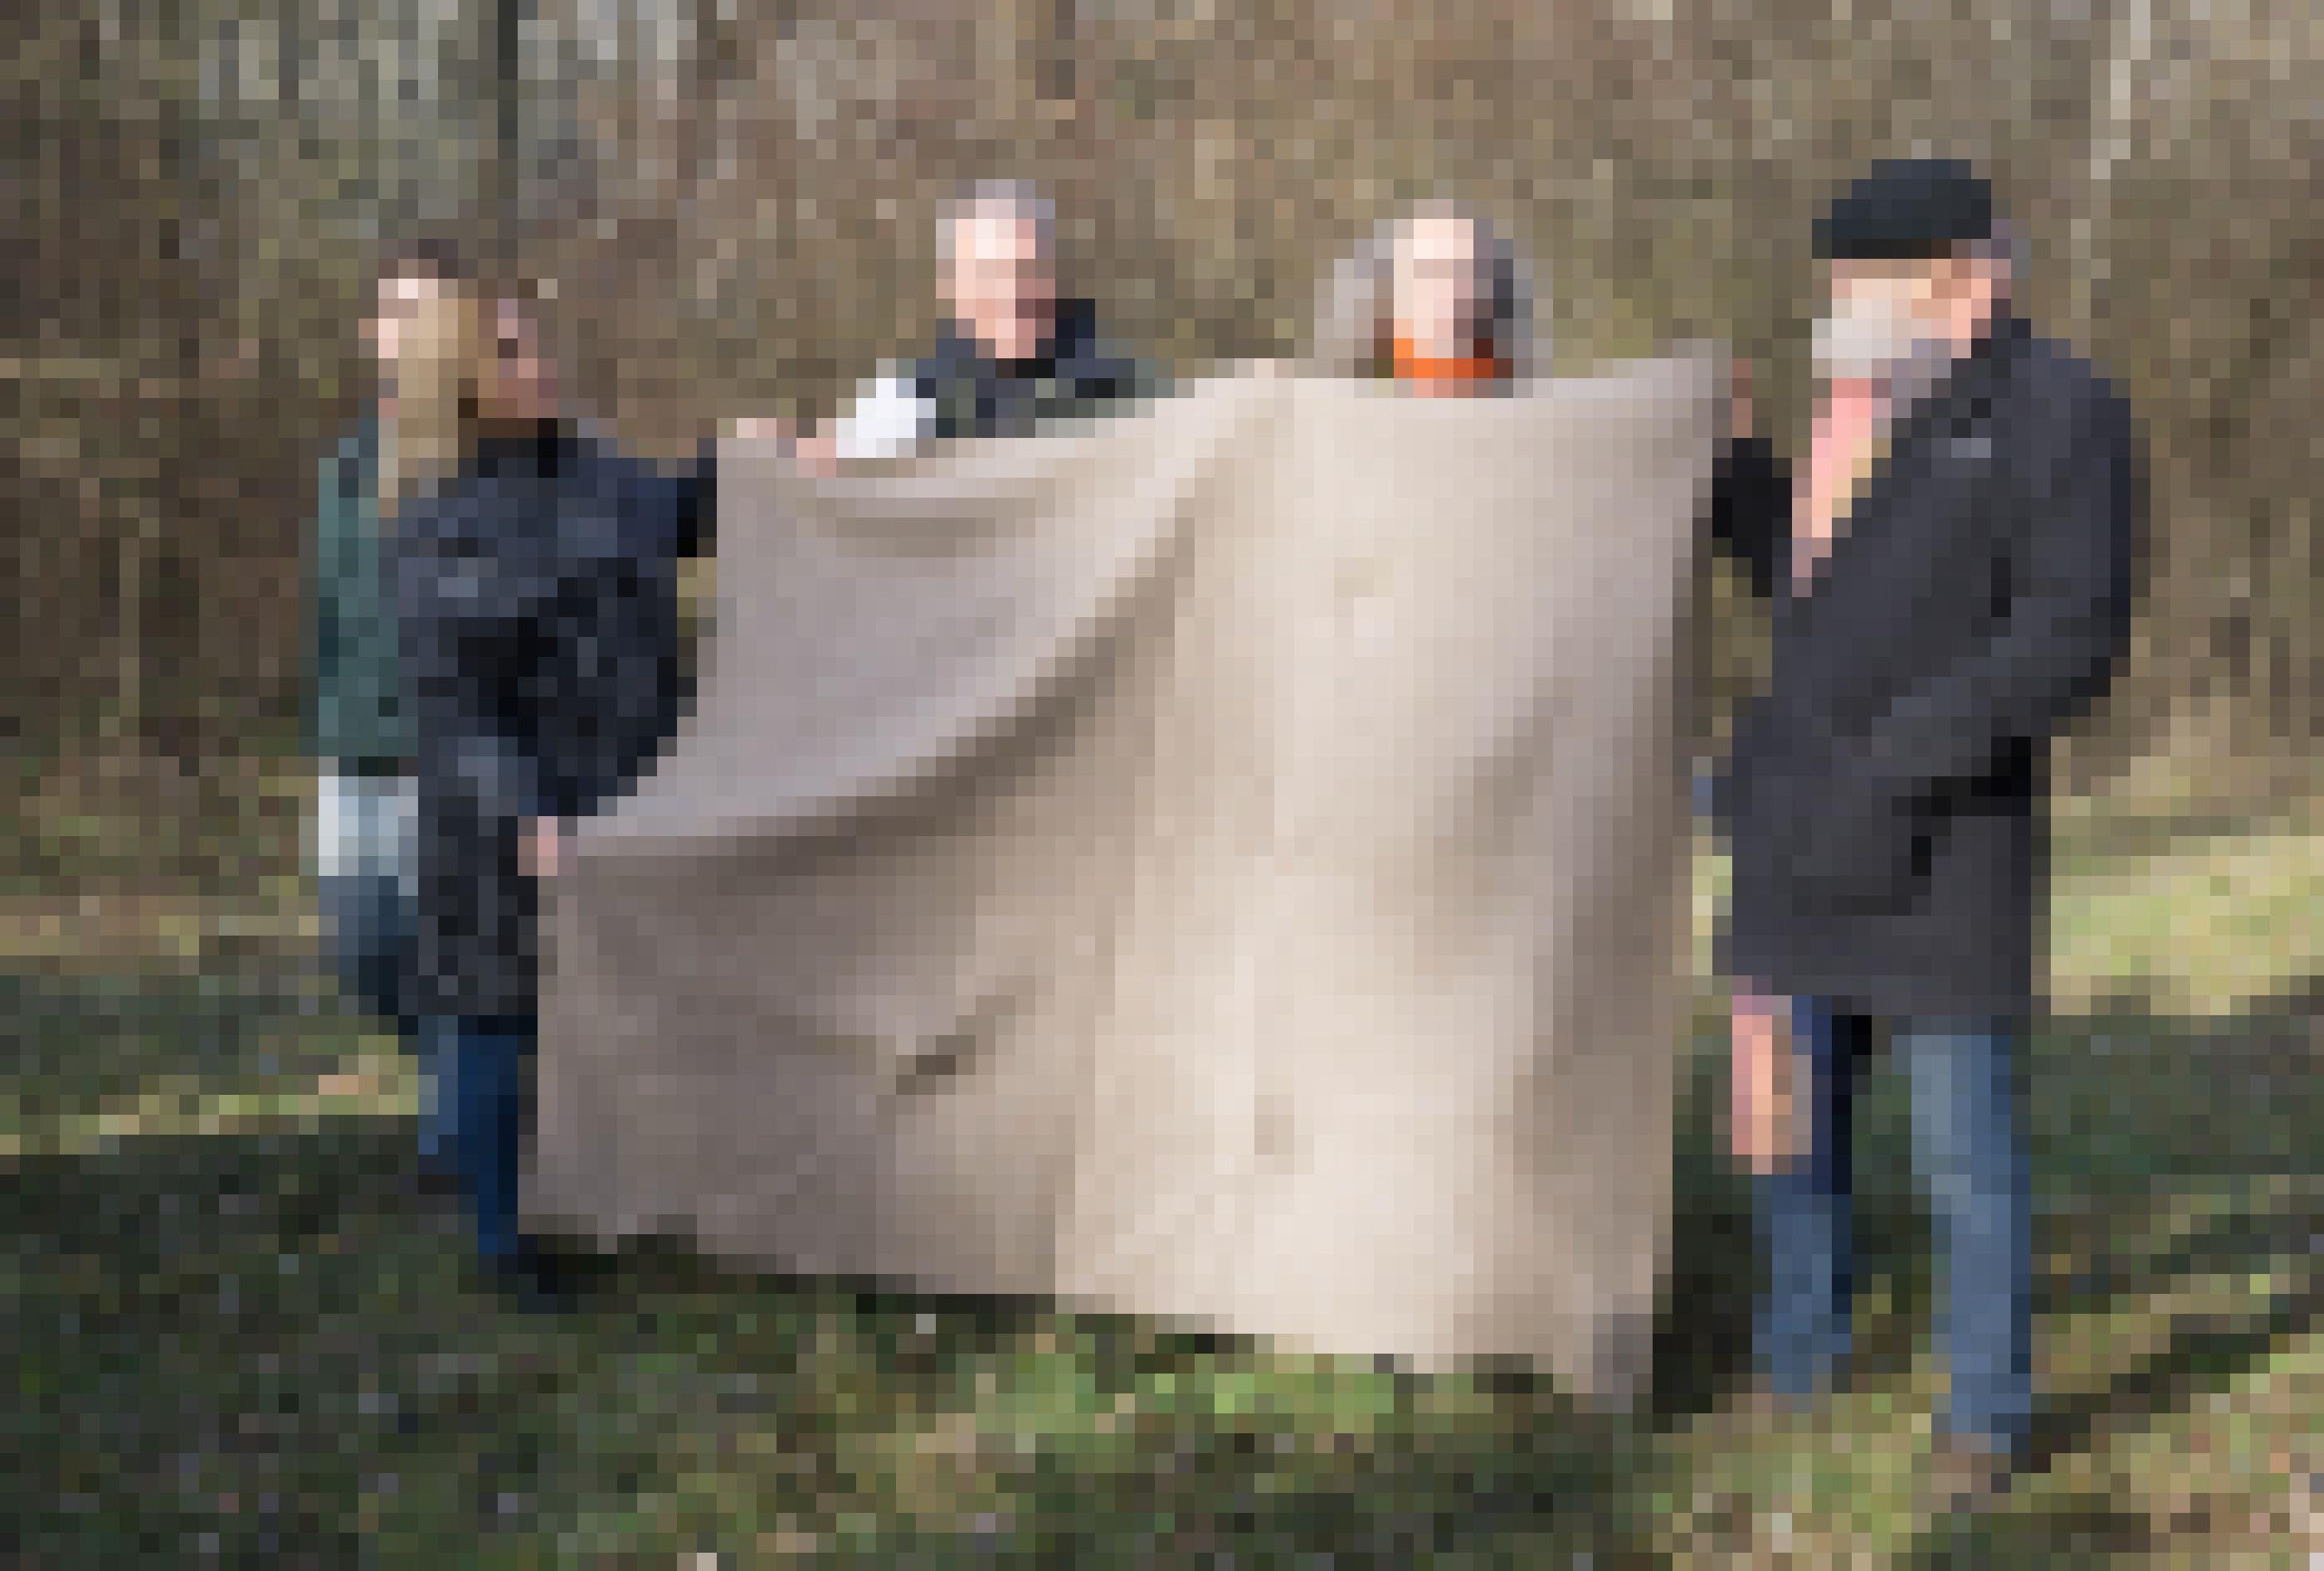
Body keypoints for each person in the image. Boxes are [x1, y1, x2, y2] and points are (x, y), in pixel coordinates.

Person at [1706, 158, 2141, 1507]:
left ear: (1954, 276)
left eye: (1855, 283)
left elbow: (2069, 634)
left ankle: (1982, 1412)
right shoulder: (1855, 404)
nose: (1832, 305)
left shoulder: (2060, 411)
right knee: (1798, 1126)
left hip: (1946, 838)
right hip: (1798, 828)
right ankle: (1796, 1353)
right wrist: (1736, 476)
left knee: (1962, 1152)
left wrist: (1911, 749)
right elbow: (1811, 582)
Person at [393, 278, 703, 1304]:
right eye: (516, 353)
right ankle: (502, 1241)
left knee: (615, 1014)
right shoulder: (441, 524)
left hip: (625, 794)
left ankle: (620, 1196)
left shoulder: (602, 475)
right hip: (502, 821)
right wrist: (524, 807)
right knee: (496, 1021)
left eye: (537, 345)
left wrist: (750, 460)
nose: (543, 365)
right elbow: (451, 705)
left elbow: (684, 513)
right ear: (464, 381)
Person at [311, 237, 468, 1181]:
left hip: (438, 756)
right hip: (348, 752)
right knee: (363, 953)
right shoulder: (343, 462)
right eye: (396, 313)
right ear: (371, 334)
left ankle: (457, 1124)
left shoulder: (481, 455)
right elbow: (325, 610)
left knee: (444, 953)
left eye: (432, 313)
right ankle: (467, 1075)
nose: (411, 332)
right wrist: (322, 730)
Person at [767, 180, 1156, 466]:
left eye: (1027, 272)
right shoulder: (910, 401)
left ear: (1054, 280)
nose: (1013, 295)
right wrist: (758, 461)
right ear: (950, 290)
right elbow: (835, 461)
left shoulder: (1131, 395)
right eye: (989, 275)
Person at [1309, 199, 1543, 390]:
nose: (1446, 292)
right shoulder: (1357, 384)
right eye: (1426, 272)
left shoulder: (1507, 387)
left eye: (1459, 272)